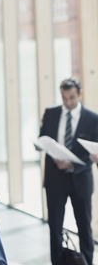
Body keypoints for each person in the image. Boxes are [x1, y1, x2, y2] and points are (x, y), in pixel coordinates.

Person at [37, 77, 98, 265]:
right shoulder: (51, 113)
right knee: (54, 227)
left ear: (80, 94)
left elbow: (93, 151)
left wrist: (71, 165)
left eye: (72, 97)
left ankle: (88, 262)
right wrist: (40, 145)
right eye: (64, 98)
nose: (68, 102)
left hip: (80, 179)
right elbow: (43, 138)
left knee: (84, 228)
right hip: (55, 179)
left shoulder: (93, 119)